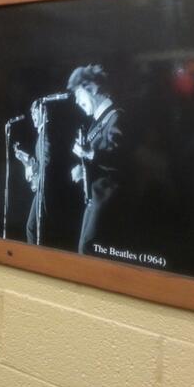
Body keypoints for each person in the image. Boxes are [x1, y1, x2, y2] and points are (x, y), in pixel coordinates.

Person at [68, 64, 126, 255]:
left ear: (91, 88)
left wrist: (89, 153)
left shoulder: (115, 116)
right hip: (94, 201)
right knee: (83, 250)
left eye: (78, 95)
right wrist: (81, 166)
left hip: (107, 202)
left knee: (89, 250)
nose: (76, 102)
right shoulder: (97, 123)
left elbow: (118, 157)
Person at [13, 100, 50, 244]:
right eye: (32, 113)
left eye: (35, 112)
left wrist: (30, 168)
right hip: (41, 189)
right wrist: (26, 158)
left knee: (33, 228)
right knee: (32, 227)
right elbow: (40, 161)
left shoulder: (45, 133)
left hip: (44, 190)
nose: (32, 115)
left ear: (43, 111)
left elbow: (46, 163)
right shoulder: (42, 134)